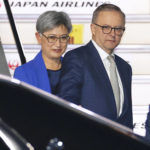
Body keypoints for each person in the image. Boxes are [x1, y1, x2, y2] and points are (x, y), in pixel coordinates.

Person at [57, 3, 133, 129]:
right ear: (93, 28)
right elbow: (67, 106)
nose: (112, 34)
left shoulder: (125, 68)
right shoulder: (76, 58)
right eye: (106, 27)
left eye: (118, 29)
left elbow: (126, 118)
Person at [14, 11, 72, 94]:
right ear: (39, 37)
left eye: (63, 38)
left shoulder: (75, 70)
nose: (58, 44)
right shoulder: (24, 73)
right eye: (52, 37)